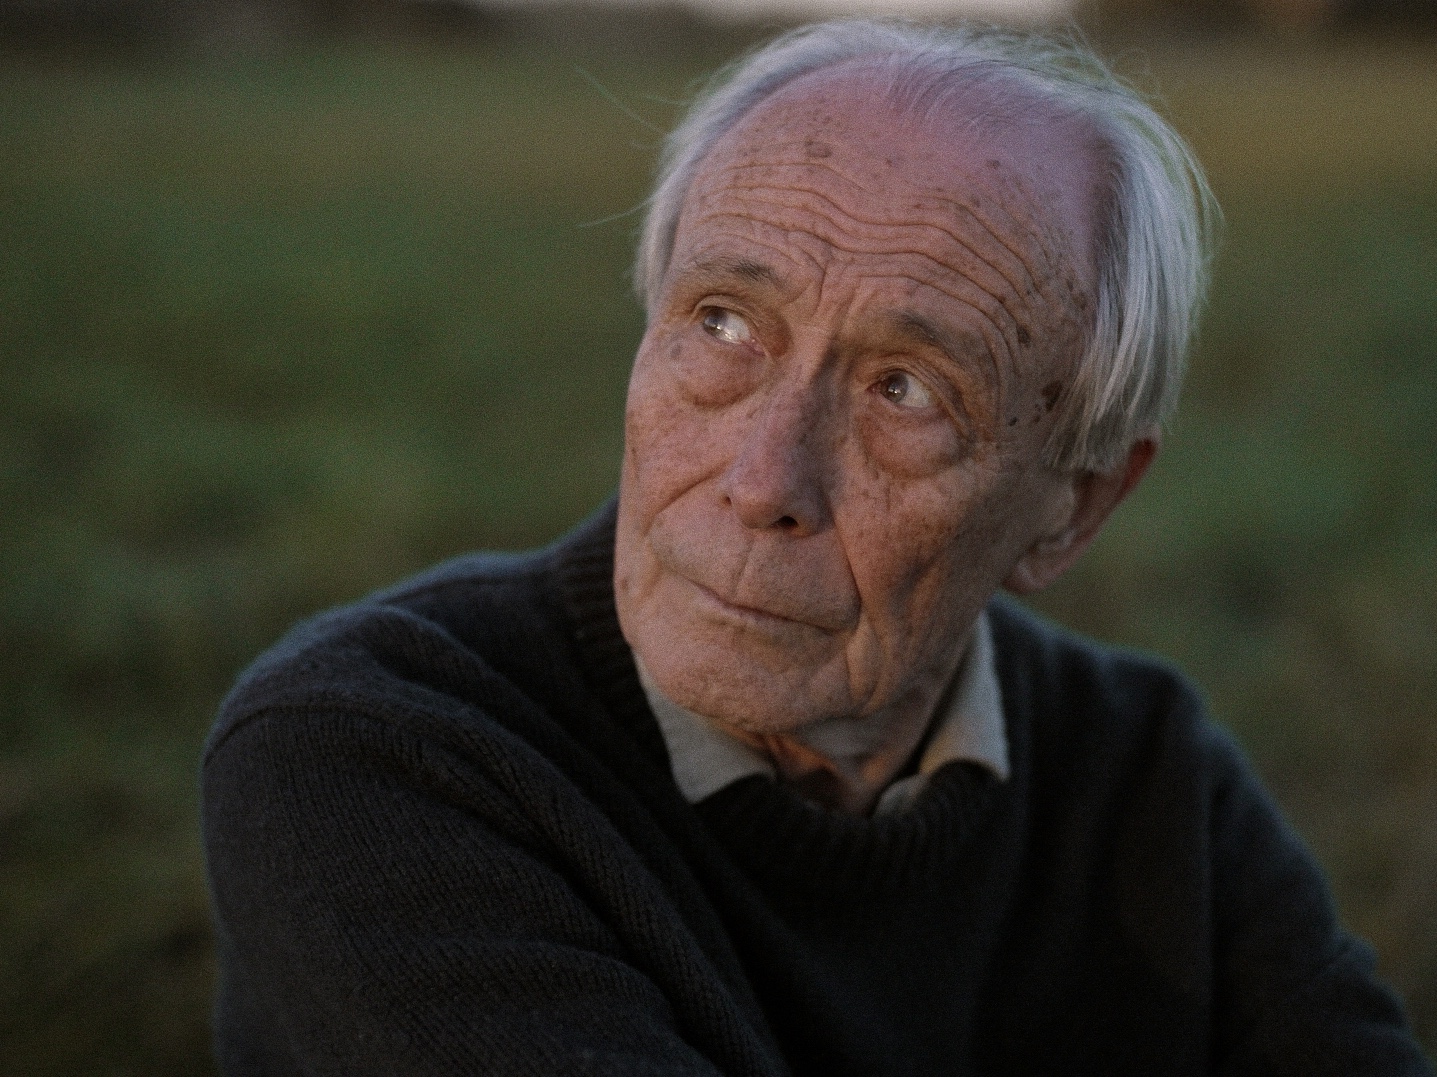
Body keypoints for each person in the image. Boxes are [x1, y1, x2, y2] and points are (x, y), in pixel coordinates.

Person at [201, 19, 1433, 1076]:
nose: (762, 481)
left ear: (1075, 506)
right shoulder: (371, 750)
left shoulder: (1148, 774)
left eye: (908, 390)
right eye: (722, 324)